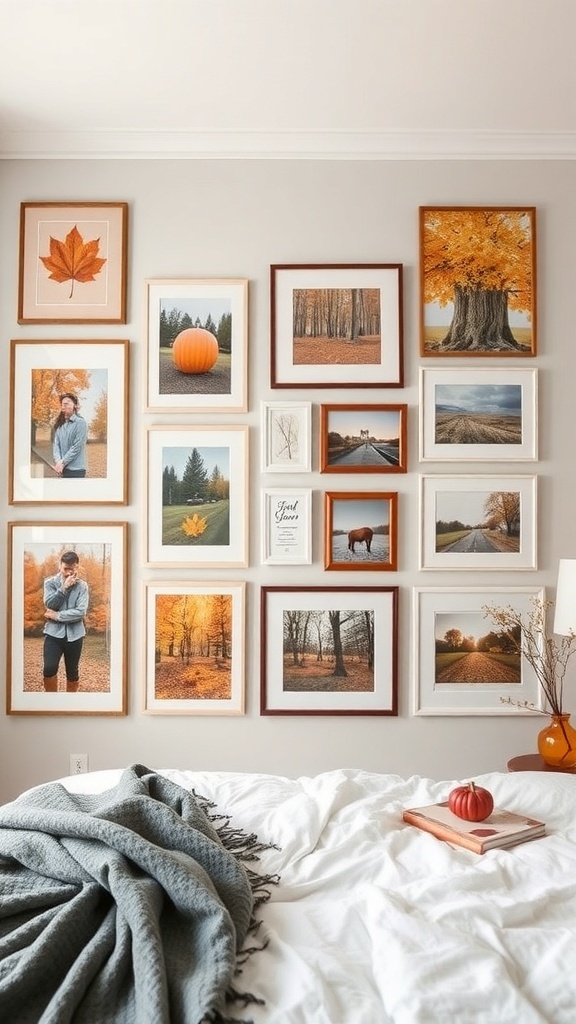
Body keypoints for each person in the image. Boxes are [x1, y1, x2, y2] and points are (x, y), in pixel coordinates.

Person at [42, 551, 89, 692]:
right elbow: (50, 604)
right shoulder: (50, 583)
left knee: (72, 673)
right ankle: (52, 703)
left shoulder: (82, 586)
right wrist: (64, 588)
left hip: (75, 635)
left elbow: (81, 612)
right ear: (60, 566)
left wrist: (57, 616)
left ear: (77, 566)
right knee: (49, 669)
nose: (69, 572)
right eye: (66, 569)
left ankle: (70, 704)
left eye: (72, 568)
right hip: (53, 634)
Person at [52, 392, 88, 477]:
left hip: (76, 470)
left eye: (67, 403)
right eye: (62, 404)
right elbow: (56, 445)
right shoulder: (60, 425)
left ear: (75, 405)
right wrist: (58, 462)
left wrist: (62, 462)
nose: (63, 405)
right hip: (62, 469)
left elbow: (77, 447)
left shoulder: (81, 423)